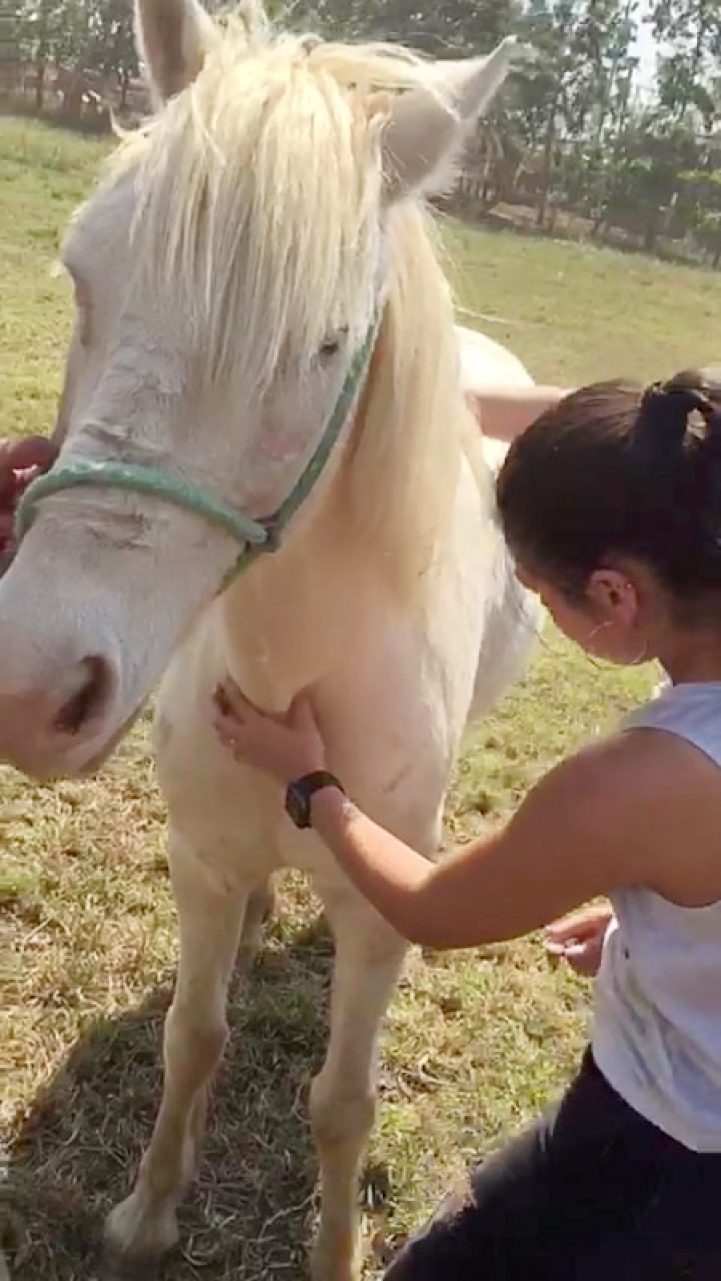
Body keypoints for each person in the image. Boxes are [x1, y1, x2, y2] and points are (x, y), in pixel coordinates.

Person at [212, 369, 721, 1279]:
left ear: (612, 598)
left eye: (539, 593)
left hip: (673, 1149)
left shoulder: (641, 781)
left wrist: (311, 783)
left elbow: (434, 910)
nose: (540, 612)